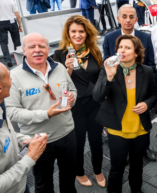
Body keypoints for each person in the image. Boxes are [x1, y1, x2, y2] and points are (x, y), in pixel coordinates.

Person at [5, 33, 78, 193]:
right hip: (37, 140)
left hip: (67, 134)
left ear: (47, 49)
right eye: (32, 47)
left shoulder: (59, 68)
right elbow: (11, 112)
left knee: (69, 178)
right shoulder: (14, 77)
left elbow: (72, 89)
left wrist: (73, 97)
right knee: (43, 184)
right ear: (23, 50)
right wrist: (46, 114)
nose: (37, 50)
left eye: (41, 46)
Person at [93, 34, 157, 193]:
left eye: (127, 47)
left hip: (140, 128)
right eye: (120, 47)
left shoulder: (147, 71)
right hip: (117, 128)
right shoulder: (108, 68)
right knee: (117, 167)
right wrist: (109, 77)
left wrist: (146, 104)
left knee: (137, 165)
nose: (122, 50)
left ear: (136, 53)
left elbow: (154, 95)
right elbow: (97, 96)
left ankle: (136, 190)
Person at [53, 15, 105, 188]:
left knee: (97, 140)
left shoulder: (94, 51)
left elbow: (100, 77)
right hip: (75, 106)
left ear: (86, 33)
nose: (77, 35)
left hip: (94, 104)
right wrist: (66, 71)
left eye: (81, 31)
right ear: (68, 33)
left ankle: (98, 170)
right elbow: (56, 86)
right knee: (79, 142)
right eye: (73, 31)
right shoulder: (59, 54)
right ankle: (79, 172)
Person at [103, 4, 157, 161]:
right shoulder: (109, 38)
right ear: (118, 19)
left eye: (131, 17)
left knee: (143, 119)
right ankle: (124, 151)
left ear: (136, 19)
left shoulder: (145, 37)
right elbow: (106, 63)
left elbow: (151, 64)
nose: (128, 20)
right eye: (124, 17)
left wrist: (146, 84)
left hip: (141, 87)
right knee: (121, 121)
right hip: (118, 89)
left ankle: (144, 149)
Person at [0, 63, 48, 193]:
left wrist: (25, 139)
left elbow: (7, 133)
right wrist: (30, 158)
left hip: (20, 185)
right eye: (8, 77)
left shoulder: (0, 107)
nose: (11, 80)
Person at [0, 0, 23, 68]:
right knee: (16, 40)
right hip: (12, 22)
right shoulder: (11, 1)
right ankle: (19, 59)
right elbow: (17, 15)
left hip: (0, 23)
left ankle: (8, 60)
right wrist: (20, 25)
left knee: (3, 42)